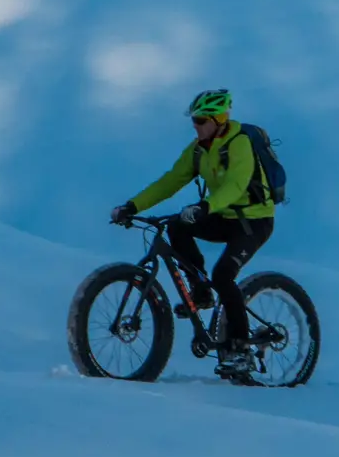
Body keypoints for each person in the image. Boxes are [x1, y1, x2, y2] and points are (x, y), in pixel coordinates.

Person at [110, 88, 277, 378]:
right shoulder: (199, 149)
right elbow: (171, 181)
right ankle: (201, 292)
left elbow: (236, 185)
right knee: (176, 225)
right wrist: (132, 205)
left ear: (219, 119)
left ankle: (240, 350)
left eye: (201, 120)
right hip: (223, 216)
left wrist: (205, 206)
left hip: (253, 221)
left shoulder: (239, 144)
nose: (195, 125)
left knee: (224, 274)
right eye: (194, 121)